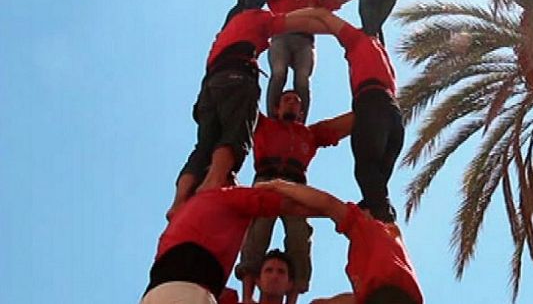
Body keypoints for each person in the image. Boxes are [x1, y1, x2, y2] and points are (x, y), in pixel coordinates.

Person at [166, 8, 330, 221]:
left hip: (209, 85)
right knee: (234, 135)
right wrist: (335, 28)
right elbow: (300, 23)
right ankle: (212, 184)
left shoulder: (222, 35)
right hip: (238, 76)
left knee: (204, 145)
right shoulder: (254, 17)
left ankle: (178, 203)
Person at [278, 8, 401, 222]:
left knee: (366, 168)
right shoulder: (384, 59)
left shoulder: (357, 41)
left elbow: (325, 18)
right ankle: (377, 213)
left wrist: (290, 17)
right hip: (394, 113)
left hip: (370, 101)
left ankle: (383, 220)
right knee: (377, 182)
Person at [235, 90, 354, 304]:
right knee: (257, 231)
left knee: (299, 235)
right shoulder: (262, 124)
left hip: (296, 185)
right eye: (286, 100)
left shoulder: (309, 134)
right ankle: (247, 297)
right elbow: (244, 102)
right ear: (276, 108)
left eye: (296, 102)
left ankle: (292, 300)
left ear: (301, 111)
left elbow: (339, 126)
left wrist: (372, 104)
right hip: (265, 180)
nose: (291, 103)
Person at [255, 180, 423, 304]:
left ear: (367, 214)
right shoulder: (392, 244)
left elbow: (328, 204)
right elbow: (358, 300)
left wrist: (279, 186)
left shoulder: (369, 231)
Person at [142, 184, 314, 304]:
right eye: (269, 270)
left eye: (280, 272)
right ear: (257, 280)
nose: (274, 276)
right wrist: (334, 210)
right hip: (186, 291)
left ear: (290, 283)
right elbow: (289, 204)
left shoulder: (188, 214)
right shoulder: (228, 197)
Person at [265, 0, 354, 119]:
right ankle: (273, 117)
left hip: (304, 41)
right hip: (281, 37)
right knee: (279, 73)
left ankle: (300, 119)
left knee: (302, 79)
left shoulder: (312, 1)